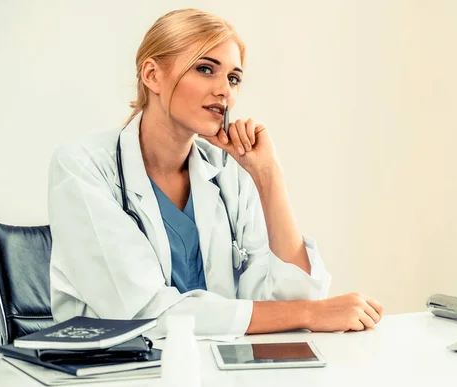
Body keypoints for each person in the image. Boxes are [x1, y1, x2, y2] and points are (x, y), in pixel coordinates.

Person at [48, 8, 383, 338]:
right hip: (117, 371)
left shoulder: (227, 171)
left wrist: (268, 176)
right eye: (206, 69)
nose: (225, 90)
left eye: (233, 78)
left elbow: (294, 301)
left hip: (218, 367)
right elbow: (147, 313)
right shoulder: (83, 166)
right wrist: (309, 313)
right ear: (152, 75)